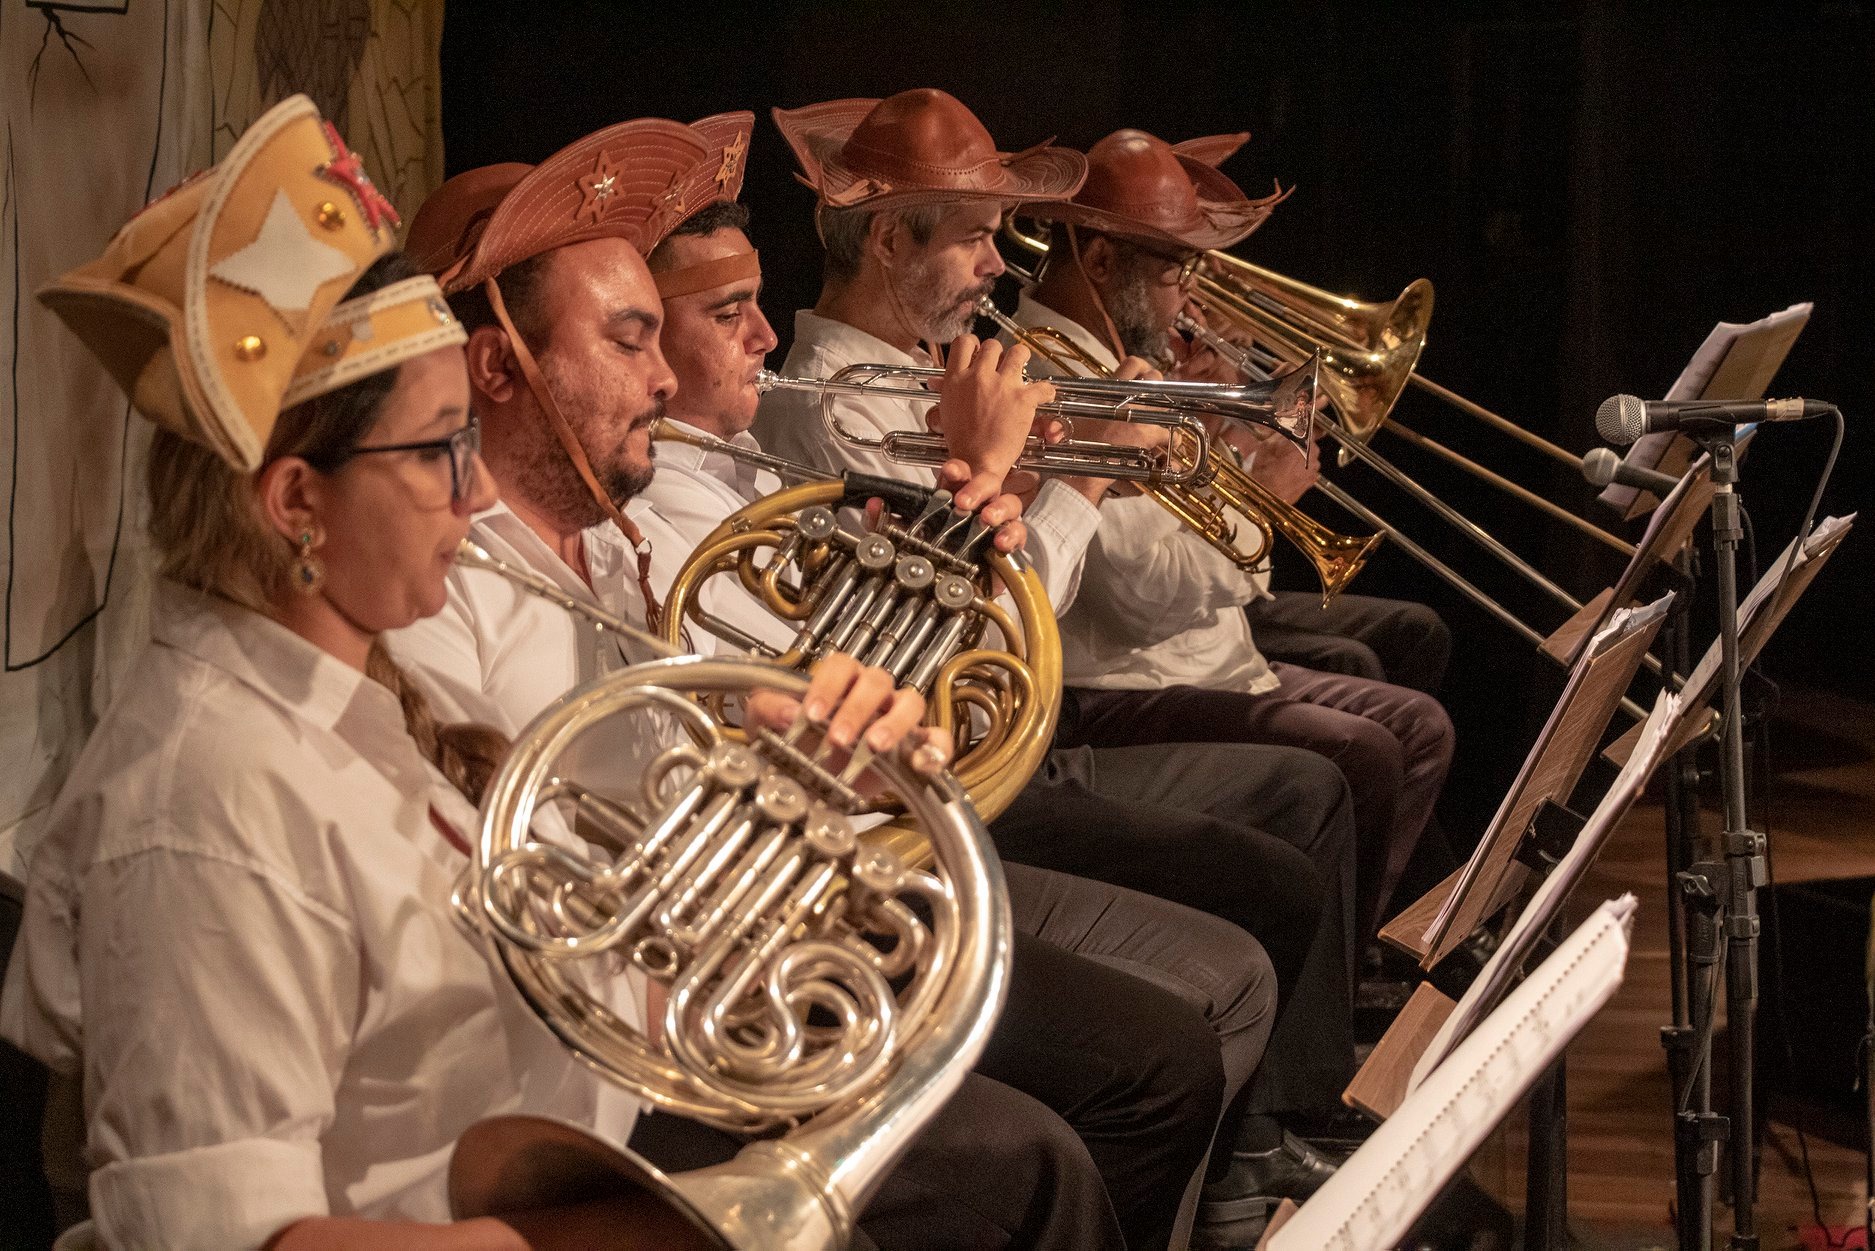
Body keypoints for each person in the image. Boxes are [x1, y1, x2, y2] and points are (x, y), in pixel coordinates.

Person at [390, 113, 1255, 1251]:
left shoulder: (615, 543)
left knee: (1149, 1043)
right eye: (633, 340)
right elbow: (547, 868)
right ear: (497, 367)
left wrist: (856, 697)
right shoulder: (456, 590)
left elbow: (806, 707)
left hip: (772, 919)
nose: (666, 379)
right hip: (657, 1008)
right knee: (1060, 1139)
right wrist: (996, 515)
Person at [0, 96, 812, 1250]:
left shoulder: (347, 696)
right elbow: (220, 1235)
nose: (477, 494)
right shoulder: (208, 794)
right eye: (440, 451)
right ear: (297, 504)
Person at [650, 128, 1361, 1238]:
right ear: (892, 238)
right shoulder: (820, 415)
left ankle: (1244, 1173)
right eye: (978, 236)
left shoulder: (768, 445)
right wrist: (1048, 472)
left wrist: (1064, 471)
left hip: (931, 791)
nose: (1000, 267)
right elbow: (957, 641)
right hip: (914, 815)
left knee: (1316, 793)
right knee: (1215, 957)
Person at [1015, 126, 1458, 939]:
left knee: (1411, 725)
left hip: (1199, 661)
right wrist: (1259, 501)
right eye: (1173, 269)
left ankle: (1388, 956)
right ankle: (1345, 978)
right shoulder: (1052, 378)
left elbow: (1177, 537)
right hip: (1124, 686)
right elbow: (1144, 597)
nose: (1190, 296)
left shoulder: (1126, 360)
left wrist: (1219, 431)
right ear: (1100, 262)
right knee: (1371, 746)